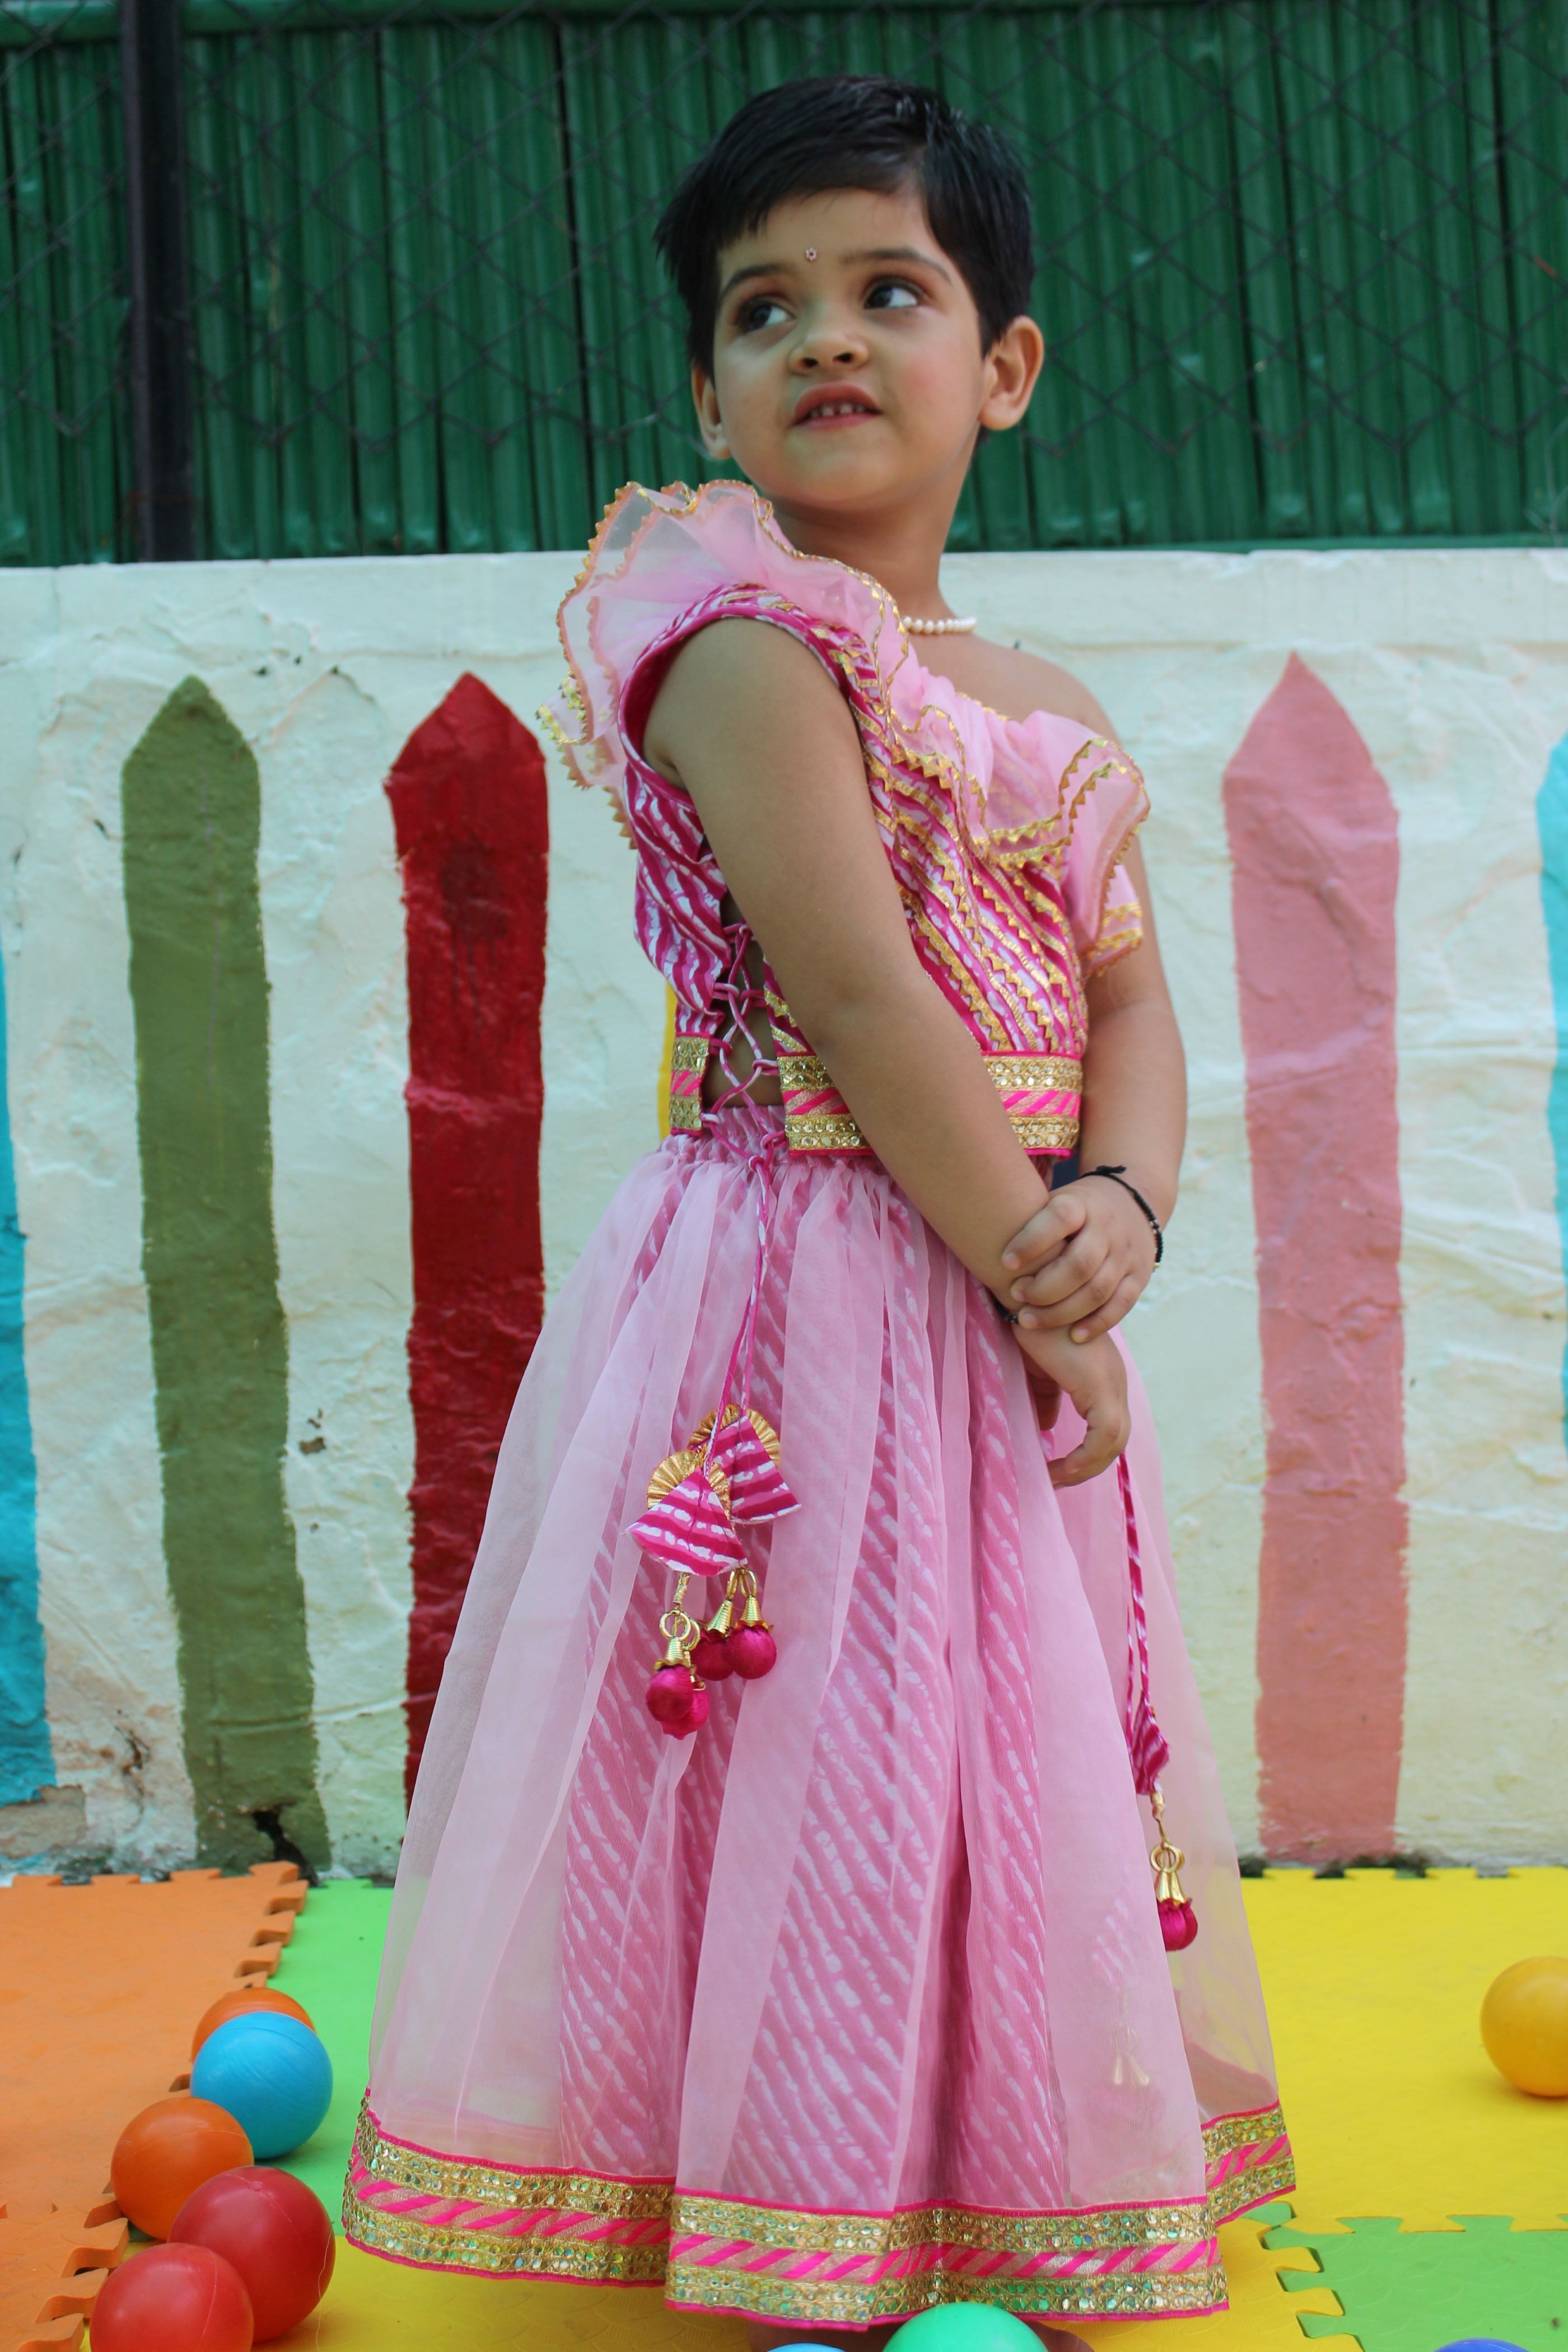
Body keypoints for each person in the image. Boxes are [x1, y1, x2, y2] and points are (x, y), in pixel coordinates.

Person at [346, 73, 1292, 2344]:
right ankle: (810, 2202)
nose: (828, 341)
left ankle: (995, 2153)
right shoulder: (750, 648)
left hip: (1015, 1267)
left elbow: (1134, 996)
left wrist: (1124, 1218)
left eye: (892, 290)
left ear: (1008, 367)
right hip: (820, 1295)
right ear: (710, 390)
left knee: (1009, 1732)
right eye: (765, 312)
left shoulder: (1049, 711)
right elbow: (855, 990)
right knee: (827, 1733)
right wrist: (1031, 1276)